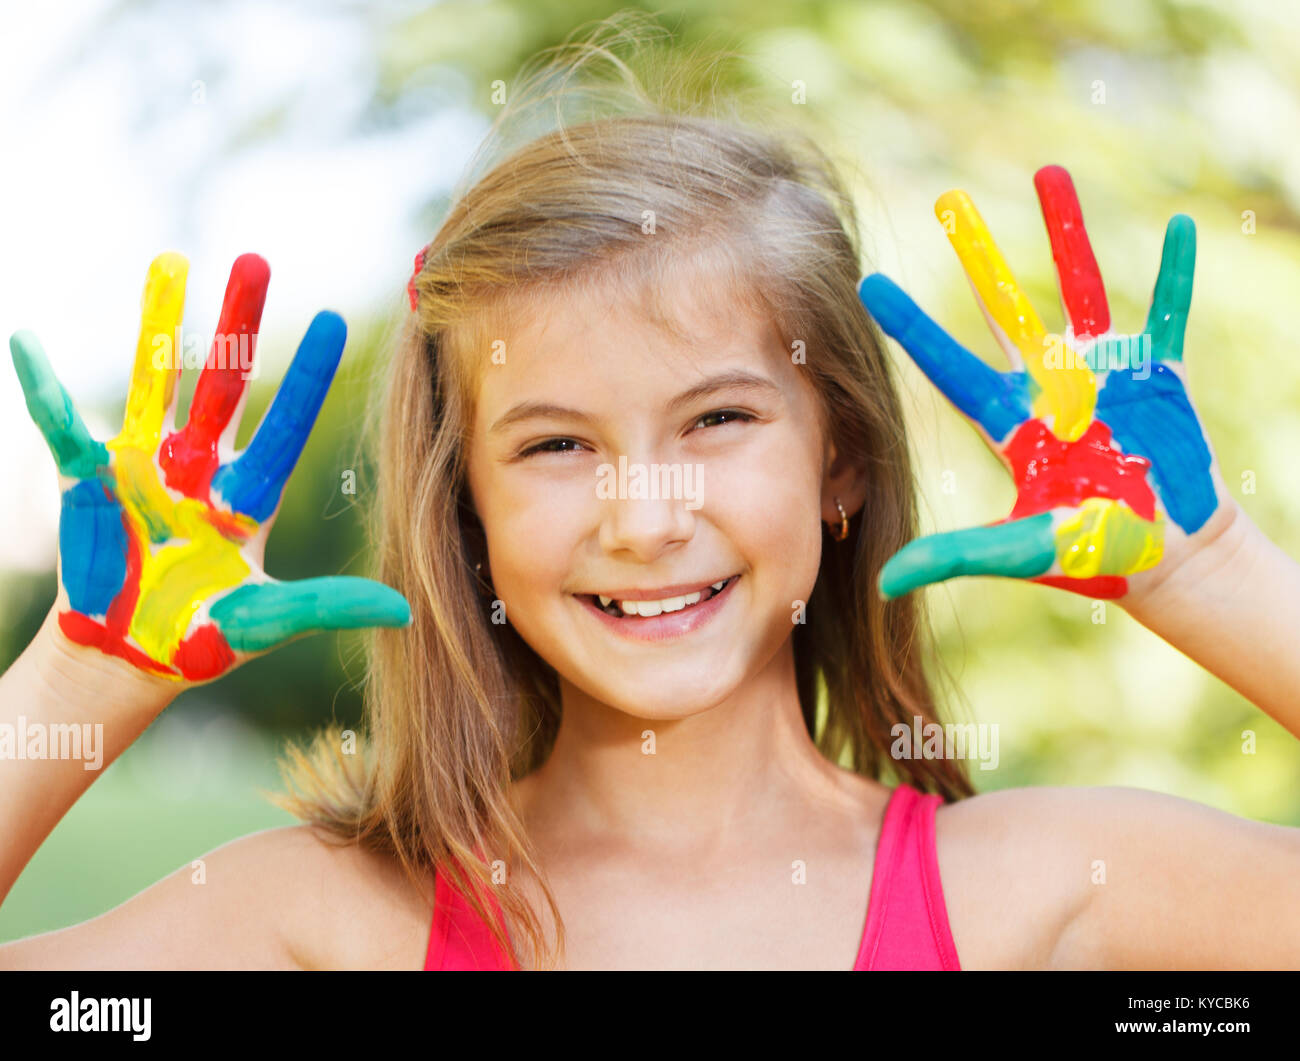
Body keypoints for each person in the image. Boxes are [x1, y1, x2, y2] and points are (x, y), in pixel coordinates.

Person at [2, 22, 1298, 971]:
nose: (643, 514)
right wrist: (80, 676)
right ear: (470, 509)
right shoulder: (327, 923)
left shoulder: (1045, 887)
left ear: (839, 455)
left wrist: (1215, 572)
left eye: (720, 418)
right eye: (556, 446)